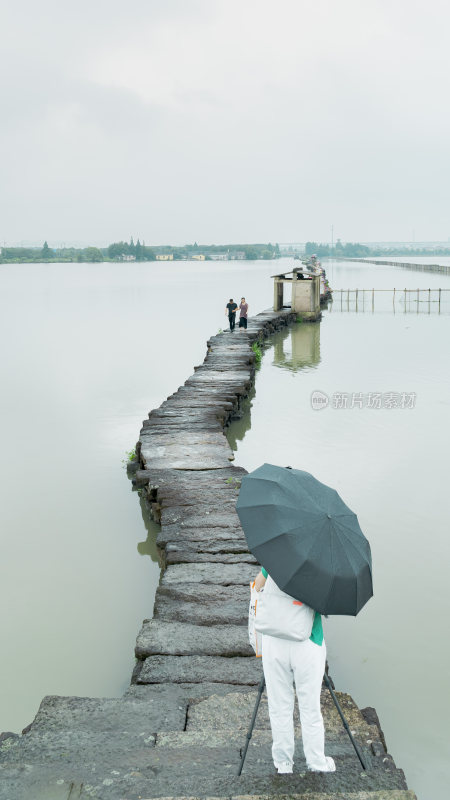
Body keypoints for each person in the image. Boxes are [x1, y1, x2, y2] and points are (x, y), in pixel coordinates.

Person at [254, 567, 335, 775]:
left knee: (279, 705)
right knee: (310, 707)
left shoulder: (277, 557)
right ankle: (316, 762)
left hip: (274, 640)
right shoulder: (322, 565)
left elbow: (258, 585)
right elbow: (326, 606)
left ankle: (283, 763)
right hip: (308, 641)